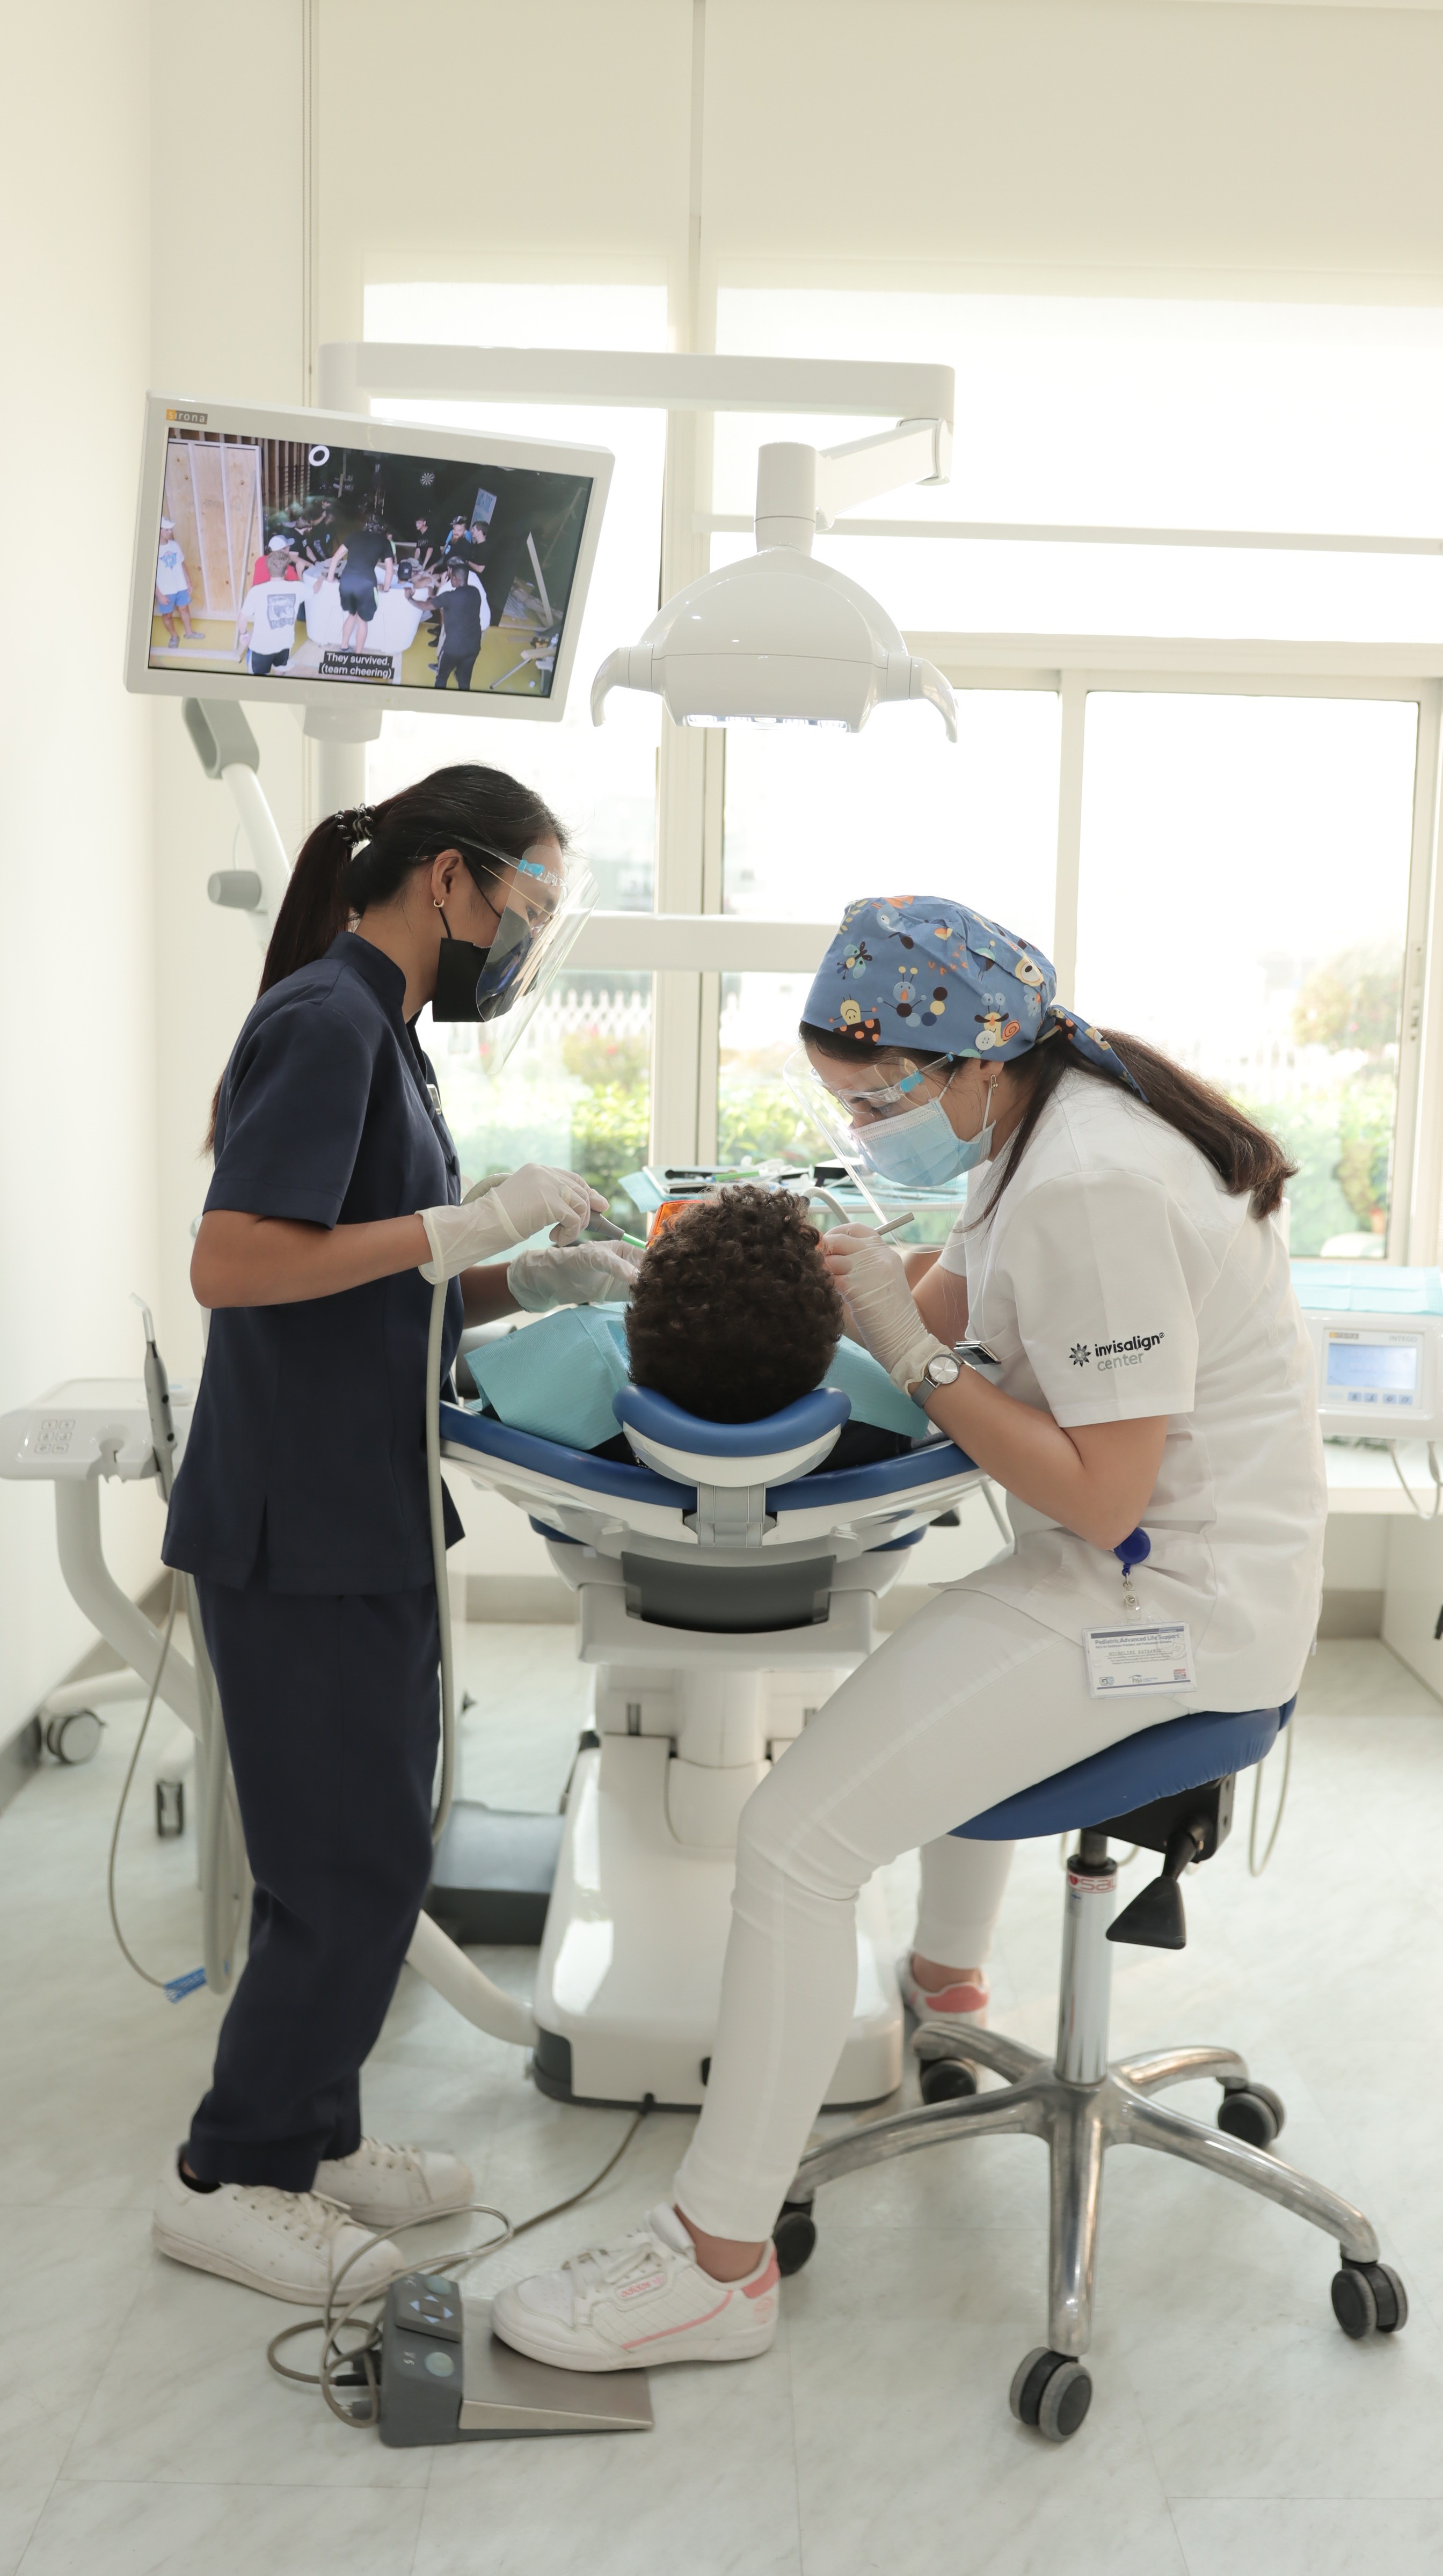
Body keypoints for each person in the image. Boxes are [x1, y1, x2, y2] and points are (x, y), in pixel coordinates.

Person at [490, 892, 1326, 2375]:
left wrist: (912, 1347)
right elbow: (934, 1299)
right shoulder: (1037, 1131)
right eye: (843, 1102)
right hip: (1130, 1572)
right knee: (933, 1686)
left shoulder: (1095, 1183)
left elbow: (1105, 1487)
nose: (869, 1124)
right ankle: (946, 1994)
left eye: (876, 1096)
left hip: (1171, 1606)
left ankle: (714, 2265)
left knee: (794, 1841)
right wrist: (792, 1302)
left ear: (969, 1057)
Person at [151, 765, 633, 2307]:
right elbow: (234, 1261)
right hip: (296, 1516)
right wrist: (457, 1228)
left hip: (351, 1499)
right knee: (347, 1864)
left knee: (355, 1850)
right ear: (450, 880)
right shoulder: (326, 1021)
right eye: (529, 904)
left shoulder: (387, 1038)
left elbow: (373, 1276)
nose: (528, 937)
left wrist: (523, 1275)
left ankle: (314, 2129)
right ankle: (236, 2173)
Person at [234, 538, 303, 674]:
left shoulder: (260, 561)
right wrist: (299, 570)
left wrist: (243, 634)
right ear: (283, 551)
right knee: (278, 641)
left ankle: (254, 663)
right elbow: (299, 592)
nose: (289, 549)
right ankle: (278, 668)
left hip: (258, 607)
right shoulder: (288, 569)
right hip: (276, 610)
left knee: (257, 635)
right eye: (287, 548)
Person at [434, 560, 489, 691]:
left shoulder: (451, 586)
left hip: (462, 628)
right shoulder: (472, 577)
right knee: (466, 661)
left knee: (446, 651)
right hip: (481, 623)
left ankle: (443, 667)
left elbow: (439, 601)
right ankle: (460, 672)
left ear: (451, 572)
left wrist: (441, 583)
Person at [154, 518, 198, 647]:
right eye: (167, 529)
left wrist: (188, 583)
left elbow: (182, 564)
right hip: (165, 590)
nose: (170, 531)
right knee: (167, 615)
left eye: (170, 529)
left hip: (180, 586)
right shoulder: (153, 550)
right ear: (159, 531)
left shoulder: (174, 545)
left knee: (184, 609)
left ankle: (189, 633)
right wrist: (159, 595)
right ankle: (174, 636)